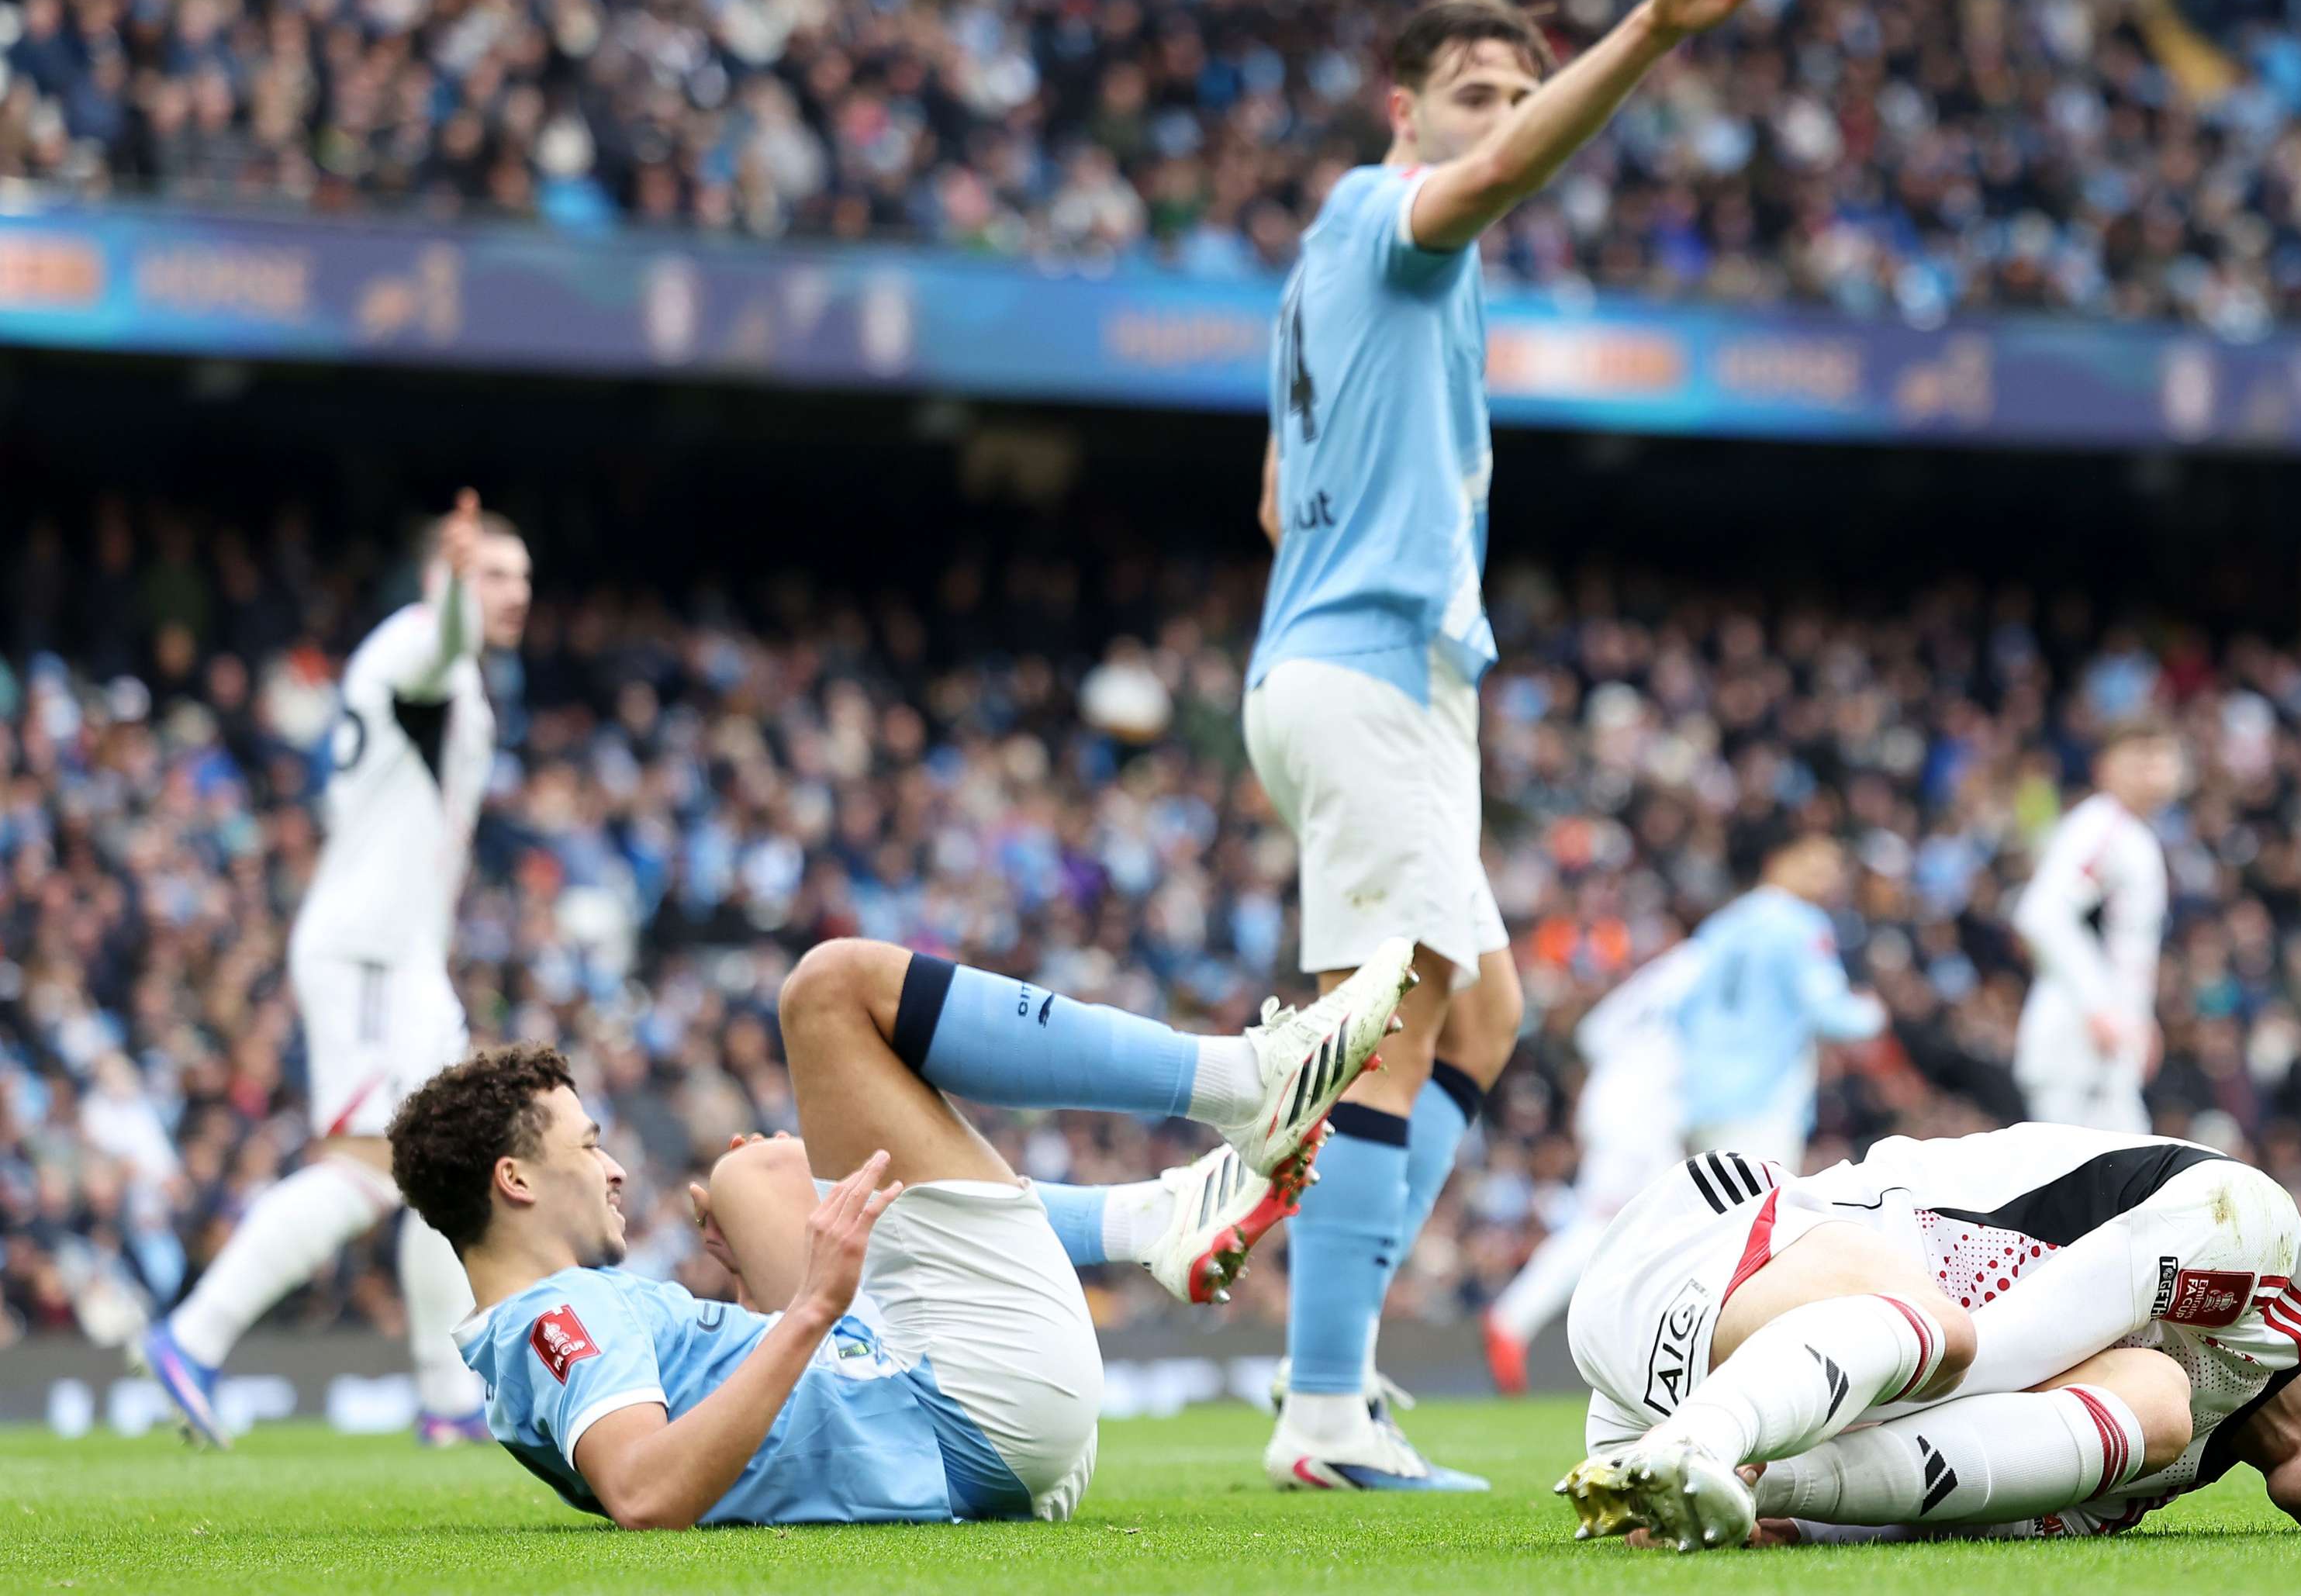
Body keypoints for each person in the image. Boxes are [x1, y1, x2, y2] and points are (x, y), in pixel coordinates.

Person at [1242, 0, 1771, 1491]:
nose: (1499, 116)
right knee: (1391, 1039)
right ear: (1401, 110)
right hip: (1366, 679)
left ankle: (1330, 1366)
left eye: (1516, 90)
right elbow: (1482, 184)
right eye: (1473, 91)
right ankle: (1322, 1408)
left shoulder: (1363, 276)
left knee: (1483, 1014)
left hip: (1381, 678)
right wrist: (1653, 34)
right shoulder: (1387, 218)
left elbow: (1280, 496)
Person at [392, 936, 1415, 1526]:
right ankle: (1243, 1084)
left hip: (958, 1431)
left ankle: (1150, 1217)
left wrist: (765, 1301)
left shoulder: (555, 1325)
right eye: (588, 1145)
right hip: (970, 1413)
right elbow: (646, 1492)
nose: (614, 1167)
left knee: (757, 1173)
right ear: (515, 1179)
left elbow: (770, 1461)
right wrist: (811, 1310)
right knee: (829, 991)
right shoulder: (554, 1320)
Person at [1553, 1124, 2301, 1549]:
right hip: (1709, 1248)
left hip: (1693, 1391)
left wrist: (1796, 1523)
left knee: (2149, 1402)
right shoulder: (2262, 1247)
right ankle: (1704, 1453)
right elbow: (2002, 1343)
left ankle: (1687, 1469)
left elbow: (1932, 1504)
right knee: (1955, 1338)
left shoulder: (2172, 1459)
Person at [137, 491, 532, 1448]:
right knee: (365, 1171)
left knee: (457, 1163)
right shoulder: (417, 644)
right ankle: (194, 1336)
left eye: (521, 577)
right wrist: (449, 597)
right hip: (364, 949)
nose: (513, 593)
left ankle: (447, 1402)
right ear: (445, 578)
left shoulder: (449, 667)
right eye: (491, 575)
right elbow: (441, 642)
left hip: (403, 955)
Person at [1480, 837, 1883, 1391]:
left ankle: (1670, 1360)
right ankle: (1718, 1370)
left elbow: (1608, 1031)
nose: (1827, 876)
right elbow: (1832, 1011)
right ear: (1776, 860)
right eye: (1816, 861)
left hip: (1678, 1104)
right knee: (1718, 1235)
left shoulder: (1718, 935)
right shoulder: (1794, 928)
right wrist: (1874, 1012)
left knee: (1688, 1234)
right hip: (1697, 1107)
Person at [2010, 721, 2183, 1133]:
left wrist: (2139, 1018)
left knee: (2123, 1184)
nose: (2153, 769)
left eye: (2161, 756)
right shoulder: (2100, 825)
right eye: (2140, 757)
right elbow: (2041, 913)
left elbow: (2127, 946)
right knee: (2099, 1186)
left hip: (2104, 1045)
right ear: (2105, 767)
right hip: (2076, 1039)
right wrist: (2101, 1006)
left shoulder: (2135, 834)